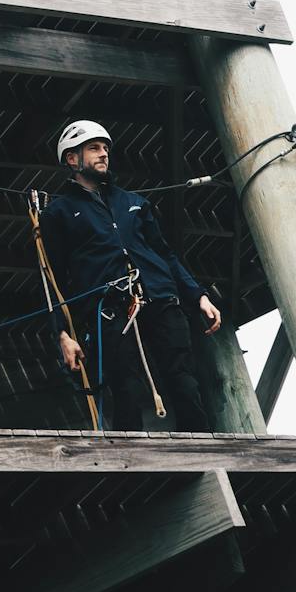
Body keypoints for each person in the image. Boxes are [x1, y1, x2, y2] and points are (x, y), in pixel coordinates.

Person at [39, 119, 221, 432]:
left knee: (185, 382)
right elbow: (52, 279)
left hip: (161, 298)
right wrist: (62, 334)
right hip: (110, 309)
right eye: (94, 148)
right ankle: (134, 465)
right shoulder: (58, 213)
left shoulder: (135, 202)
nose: (103, 154)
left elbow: (165, 254)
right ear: (72, 159)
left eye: (106, 148)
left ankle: (201, 448)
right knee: (125, 389)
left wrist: (199, 295)